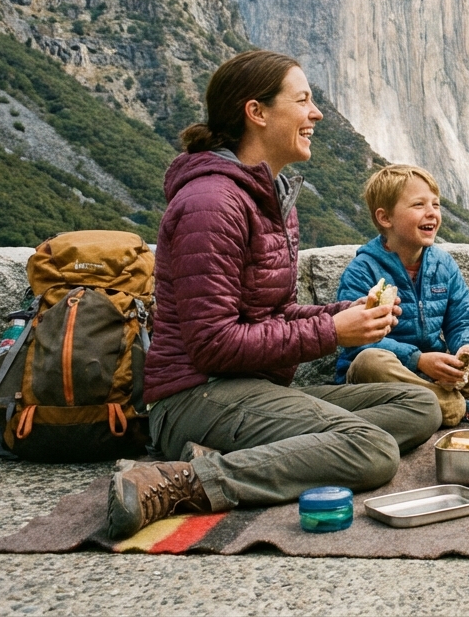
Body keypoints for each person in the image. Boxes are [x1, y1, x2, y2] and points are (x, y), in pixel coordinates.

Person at [106, 51, 443, 540]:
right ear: (256, 112)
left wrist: (343, 312)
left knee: (419, 407)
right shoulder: (211, 204)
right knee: (371, 449)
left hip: (253, 389)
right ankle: (180, 481)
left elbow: (275, 312)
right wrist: (331, 332)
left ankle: (238, 457)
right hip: (196, 395)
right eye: (303, 100)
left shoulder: (272, 197)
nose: (317, 113)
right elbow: (212, 344)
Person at [335, 164, 469, 426]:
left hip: (436, 371)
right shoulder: (363, 270)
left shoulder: (443, 264)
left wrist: (468, 348)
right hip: (388, 372)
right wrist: (418, 360)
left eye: (436, 205)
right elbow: (358, 341)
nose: (432, 213)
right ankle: (462, 407)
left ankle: (440, 399)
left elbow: (463, 321)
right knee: (370, 361)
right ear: (385, 218)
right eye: (418, 205)